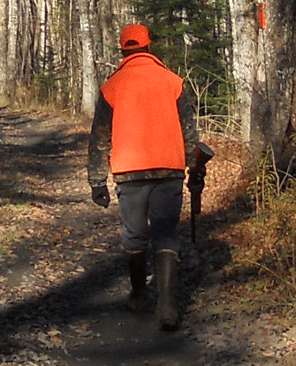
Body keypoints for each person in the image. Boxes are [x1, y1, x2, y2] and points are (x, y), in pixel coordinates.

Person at [87, 23, 203, 331]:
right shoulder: (173, 81)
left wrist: (96, 180)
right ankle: (167, 307)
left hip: (130, 172)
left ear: (123, 49)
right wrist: (195, 167)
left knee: (134, 235)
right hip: (169, 169)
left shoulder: (111, 86)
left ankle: (139, 295)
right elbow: (189, 131)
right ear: (149, 47)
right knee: (166, 235)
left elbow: (100, 136)